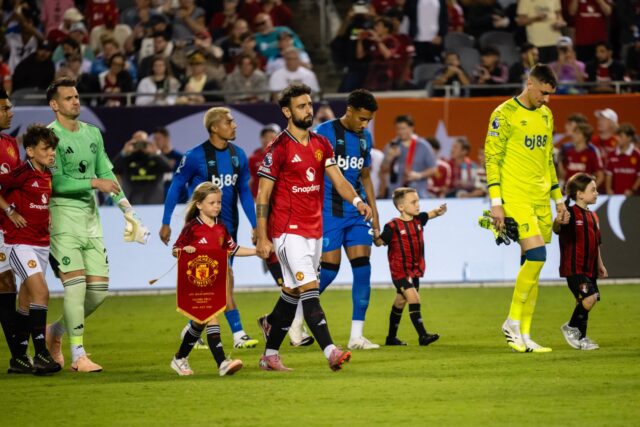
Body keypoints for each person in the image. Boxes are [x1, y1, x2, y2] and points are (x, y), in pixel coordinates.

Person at [255, 83, 373, 371]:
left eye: (309, 104)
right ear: (287, 112)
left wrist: (358, 201)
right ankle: (331, 351)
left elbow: (339, 180)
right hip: (288, 231)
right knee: (310, 288)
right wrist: (262, 236)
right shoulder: (278, 148)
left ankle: (270, 351)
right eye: (301, 106)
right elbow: (263, 195)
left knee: (292, 293)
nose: (308, 110)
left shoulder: (321, 143)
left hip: (315, 229)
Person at [44, 77, 150, 373]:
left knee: (98, 293)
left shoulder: (92, 133)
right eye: (68, 98)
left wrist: (128, 211)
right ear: (54, 105)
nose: (75, 101)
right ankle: (78, 355)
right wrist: (93, 183)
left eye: (77, 97)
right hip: (63, 220)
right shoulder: (50, 137)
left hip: (91, 222)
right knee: (76, 288)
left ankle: (56, 331)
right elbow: (56, 183)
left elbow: (107, 174)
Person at [288, 89, 381, 350]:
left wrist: (375, 213)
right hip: (328, 212)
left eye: (369, 120)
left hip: (357, 212)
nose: (365, 125)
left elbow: (365, 176)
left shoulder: (365, 138)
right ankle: (294, 320)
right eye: (362, 118)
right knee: (328, 271)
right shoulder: (323, 133)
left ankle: (356, 336)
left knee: (363, 268)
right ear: (349, 110)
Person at [484, 64, 568, 353]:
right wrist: (496, 203)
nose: (546, 99)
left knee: (532, 268)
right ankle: (511, 322)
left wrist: (558, 199)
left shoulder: (546, 115)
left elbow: (547, 160)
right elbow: (492, 159)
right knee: (537, 255)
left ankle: (526, 334)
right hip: (515, 197)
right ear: (530, 84)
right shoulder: (504, 114)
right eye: (543, 92)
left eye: (549, 94)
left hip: (541, 199)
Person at [160, 107, 259, 350]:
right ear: (214, 127)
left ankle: (191, 329)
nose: (234, 125)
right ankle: (238, 334)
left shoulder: (239, 155)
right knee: (224, 278)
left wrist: (256, 225)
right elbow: (176, 186)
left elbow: (245, 192)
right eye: (229, 122)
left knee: (216, 283)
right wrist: (165, 221)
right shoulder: (195, 156)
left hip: (229, 227)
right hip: (202, 231)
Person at [170, 182, 254, 377]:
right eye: (212, 203)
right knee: (211, 316)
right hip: (196, 282)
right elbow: (175, 250)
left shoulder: (221, 227)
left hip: (213, 281)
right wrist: (184, 250)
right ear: (199, 205)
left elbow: (233, 249)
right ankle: (222, 363)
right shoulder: (192, 228)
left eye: (219, 202)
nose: (217, 206)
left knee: (199, 323)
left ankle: (179, 358)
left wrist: (256, 252)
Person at [0, 125, 61, 375]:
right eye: (46, 149)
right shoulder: (21, 173)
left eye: (53, 149)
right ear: (30, 151)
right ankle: (42, 354)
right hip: (19, 243)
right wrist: (9, 211)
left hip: (42, 244)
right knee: (41, 292)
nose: (51, 153)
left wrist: (47, 215)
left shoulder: (47, 174)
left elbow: (40, 201)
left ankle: (19, 357)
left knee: (26, 298)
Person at [374, 188, 445, 346]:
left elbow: (431, 214)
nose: (417, 205)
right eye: (413, 202)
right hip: (400, 272)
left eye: (418, 201)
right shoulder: (392, 226)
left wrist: (439, 211)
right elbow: (380, 242)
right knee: (414, 299)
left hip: (415, 271)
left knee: (400, 303)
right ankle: (423, 336)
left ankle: (391, 338)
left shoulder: (418, 220)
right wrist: (375, 234)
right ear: (401, 207)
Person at [555, 173, 607, 350]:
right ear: (580, 194)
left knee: (584, 301)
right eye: (593, 190)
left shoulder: (593, 217)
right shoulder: (569, 213)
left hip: (589, 268)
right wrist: (558, 221)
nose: (596, 193)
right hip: (574, 268)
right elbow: (557, 228)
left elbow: (596, 243)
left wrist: (600, 264)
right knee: (589, 298)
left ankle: (581, 338)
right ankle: (570, 327)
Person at [0, 90, 24, 370]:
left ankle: (19, 355)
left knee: (10, 286)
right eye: (4, 108)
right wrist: (9, 210)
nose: (10, 112)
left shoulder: (9, 143)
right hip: (4, 221)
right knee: (6, 285)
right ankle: (19, 355)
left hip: (7, 229)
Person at [380, 115, 437, 198]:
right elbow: (382, 170)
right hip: (396, 194)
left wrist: (419, 175)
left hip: (418, 194)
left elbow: (433, 169)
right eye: (398, 129)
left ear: (412, 128)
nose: (400, 132)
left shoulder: (423, 146)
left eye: (403, 128)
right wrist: (389, 158)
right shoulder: (391, 146)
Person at [112, 136, 173, 205]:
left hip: (155, 202)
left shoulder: (156, 158)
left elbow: (169, 168)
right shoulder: (126, 159)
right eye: (137, 143)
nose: (140, 145)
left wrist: (156, 152)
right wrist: (124, 152)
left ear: (148, 142)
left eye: (143, 143)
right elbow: (113, 169)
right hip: (132, 202)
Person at [558, 122, 604, 188]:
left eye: (578, 133)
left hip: (584, 191)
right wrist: (559, 162)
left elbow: (600, 176)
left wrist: (591, 190)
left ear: (585, 137)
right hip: (568, 191)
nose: (573, 135)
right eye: (574, 133)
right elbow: (563, 176)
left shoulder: (592, 152)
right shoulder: (567, 150)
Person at [605, 124, 640, 196]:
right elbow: (609, 174)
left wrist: (632, 190)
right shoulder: (612, 154)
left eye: (620, 136)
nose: (617, 139)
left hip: (633, 197)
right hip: (615, 196)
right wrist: (608, 189)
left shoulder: (637, 155)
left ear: (629, 138)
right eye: (617, 136)